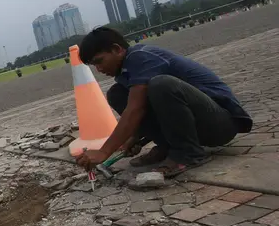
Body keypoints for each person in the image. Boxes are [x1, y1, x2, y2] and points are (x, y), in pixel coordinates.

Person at [75, 27, 252, 177]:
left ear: (117, 49)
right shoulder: (125, 72)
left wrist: (104, 151)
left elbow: (135, 109)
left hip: (221, 123)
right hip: (198, 124)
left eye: (100, 61)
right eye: (94, 65)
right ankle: (168, 147)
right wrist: (134, 138)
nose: (99, 69)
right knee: (117, 94)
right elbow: (143, 107)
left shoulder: (140, 57)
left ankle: (188, 153)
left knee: (161, 85)